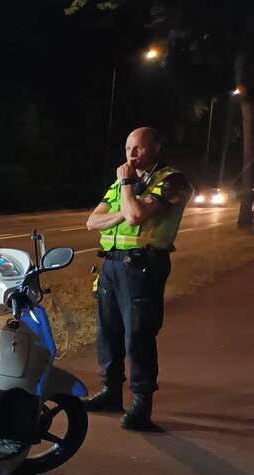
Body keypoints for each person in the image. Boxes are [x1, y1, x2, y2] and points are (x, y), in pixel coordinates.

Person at [84, 127, 192, 430]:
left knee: (139, 336)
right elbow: (92, 221)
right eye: (128, 148)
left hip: (143, 267)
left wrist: (127, 189)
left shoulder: (172, 181)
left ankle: (141, 405)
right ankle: (110, 392)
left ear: (156, 149)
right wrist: (124, 206)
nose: (131, 155)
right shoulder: (121, 183)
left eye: (139, 148)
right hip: (111, 266)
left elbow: (134, 216)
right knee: (108, 334)